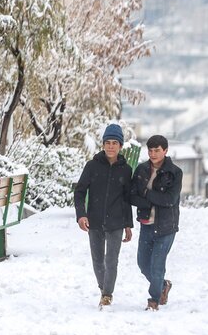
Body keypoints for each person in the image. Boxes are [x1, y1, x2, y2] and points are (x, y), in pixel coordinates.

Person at [74, 123, 134, 308]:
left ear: (120, 146)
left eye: (114, 143)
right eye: (107, 142)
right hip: (95, 220)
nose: (110, 146)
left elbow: (127, 199)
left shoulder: (125, 170)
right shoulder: (92, 166)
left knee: (111, 260)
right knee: (98, 260)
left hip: (116, 222)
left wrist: (128, 225)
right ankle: (104, 287)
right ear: (103, 145)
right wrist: (81, 215)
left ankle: (107, 295)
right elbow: (80, 191)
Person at [130, 135, 182, 311]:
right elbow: (132, 194)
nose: (153, 154)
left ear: (165, 151)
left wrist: (146, 193)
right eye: (150, 150)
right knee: (143, 263)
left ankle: (153, 300)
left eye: (157, 150)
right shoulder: (141, 170)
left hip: (166, 225)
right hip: (146, 223)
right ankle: (163, 286)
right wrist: (147, 200)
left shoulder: (175, 172)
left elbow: (170, 199)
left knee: (157, 264)